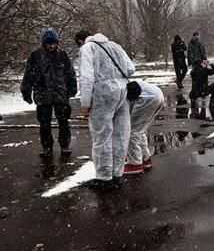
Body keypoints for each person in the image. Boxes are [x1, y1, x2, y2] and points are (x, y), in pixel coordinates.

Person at [75, 30, 135, 190]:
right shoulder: (115, 45)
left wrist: (85, 104)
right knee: (120, 135)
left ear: (81, 41)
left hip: (102, 94)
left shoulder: (88, 48)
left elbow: (87, 78)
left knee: (102, 135)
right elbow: (131, 69)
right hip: (122, 91)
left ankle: (104, 177)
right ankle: (117, 174)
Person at [21, 28, 77, 158]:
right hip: (42, 94)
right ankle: (47, 147)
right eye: (48, 43)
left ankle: (64, 146)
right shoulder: (35, 56)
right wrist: (26, 91)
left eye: (53, 43)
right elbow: (28, 75)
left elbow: (70, 73)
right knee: (44, 123)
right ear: (44, 43)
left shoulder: (62, 55)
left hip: (60, 94)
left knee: (63, 122)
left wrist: (72, 88)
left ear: (57, 43)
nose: (51, 46)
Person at [124, 81, 165, 175]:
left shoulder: (117, 89)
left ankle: (135, 164)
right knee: (140, 130)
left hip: (147, 98)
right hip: (156, 94)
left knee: (131, 131)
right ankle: (145, 158)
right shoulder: (121, 82)